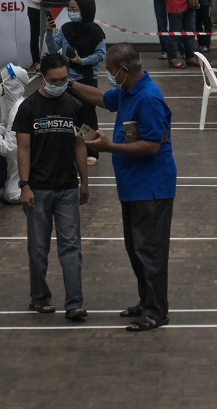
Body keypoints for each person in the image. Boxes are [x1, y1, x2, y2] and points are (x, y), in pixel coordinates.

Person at [69, 44, 177, 332]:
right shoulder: (129, 91)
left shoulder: (149, 99)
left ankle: (156, 312)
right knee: (135, 247)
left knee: (150, 250)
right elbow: (103, 99)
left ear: (124, 70)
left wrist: (109, 147)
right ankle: (146, 301)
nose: (110, 76)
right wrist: (68, 85)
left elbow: (153, 145)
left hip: (151, 188)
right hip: (133, 187)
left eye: (111, 71)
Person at [13, 52, 90, 321]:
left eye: (65, 79)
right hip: (39, 189)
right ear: (41, 78)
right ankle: (40, 298)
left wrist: (84, 182)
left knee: (71, 247)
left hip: (67, 188)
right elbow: (23, 149)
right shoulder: (28, 109)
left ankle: (75, 303)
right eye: (55, 80)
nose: (60, 83)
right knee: (38, 248)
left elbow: (81, 144)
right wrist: (25, 185)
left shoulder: (75, 106)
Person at [45, 0, 106, 163]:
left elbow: (101, 54)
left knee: (87, 115)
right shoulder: (65, 29)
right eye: (69, 9)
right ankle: (70, 148)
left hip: (87, 79)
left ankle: (92, 151)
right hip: (68, 79)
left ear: (85, 11)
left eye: (75, 9)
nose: (71, 12)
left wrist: (82, 61)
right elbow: (52, 47)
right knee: (68, 114)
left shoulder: (95, 31)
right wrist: (49, 31)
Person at [0, 63, 32, 204]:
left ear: (11, 84)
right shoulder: (10, 104)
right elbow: (7, 129)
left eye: (1, 82)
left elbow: (9, 147)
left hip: (19, 158)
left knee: (12, 195)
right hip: (16, 157)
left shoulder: (17, 110)